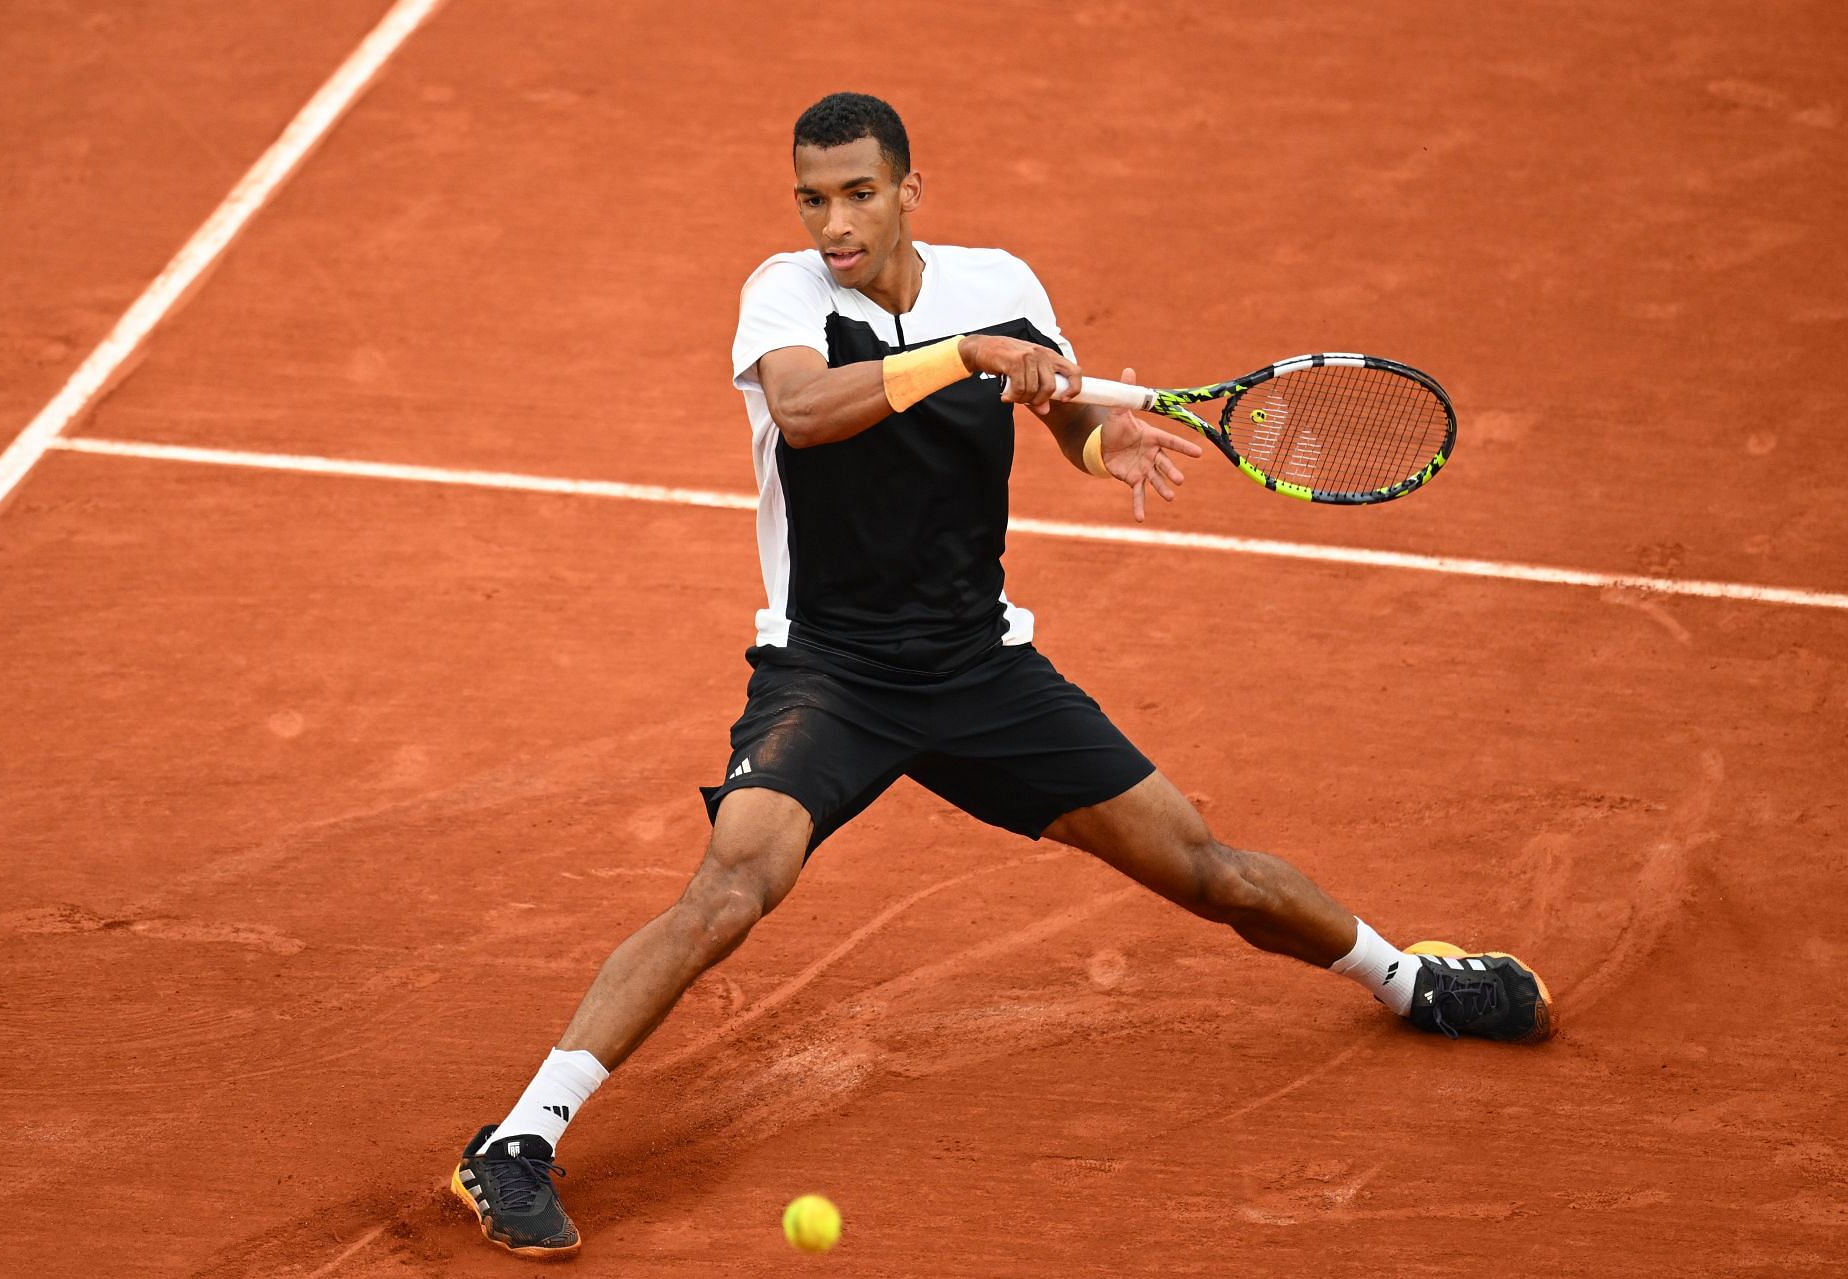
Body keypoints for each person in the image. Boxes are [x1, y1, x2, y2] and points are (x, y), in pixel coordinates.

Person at [449, 91, 1551, 1259]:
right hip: (831, 670)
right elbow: (808, 411)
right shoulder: (785, 298)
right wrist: (964, 354)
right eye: (813, 197)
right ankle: (516, 1139)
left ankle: (1410, 981)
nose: (834, 221)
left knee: (1206, 868)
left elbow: (1055, 405)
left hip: (981, 668)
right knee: (730, 886)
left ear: (910, 189)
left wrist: (1094, 435)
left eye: (859, 193)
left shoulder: (999, 281)